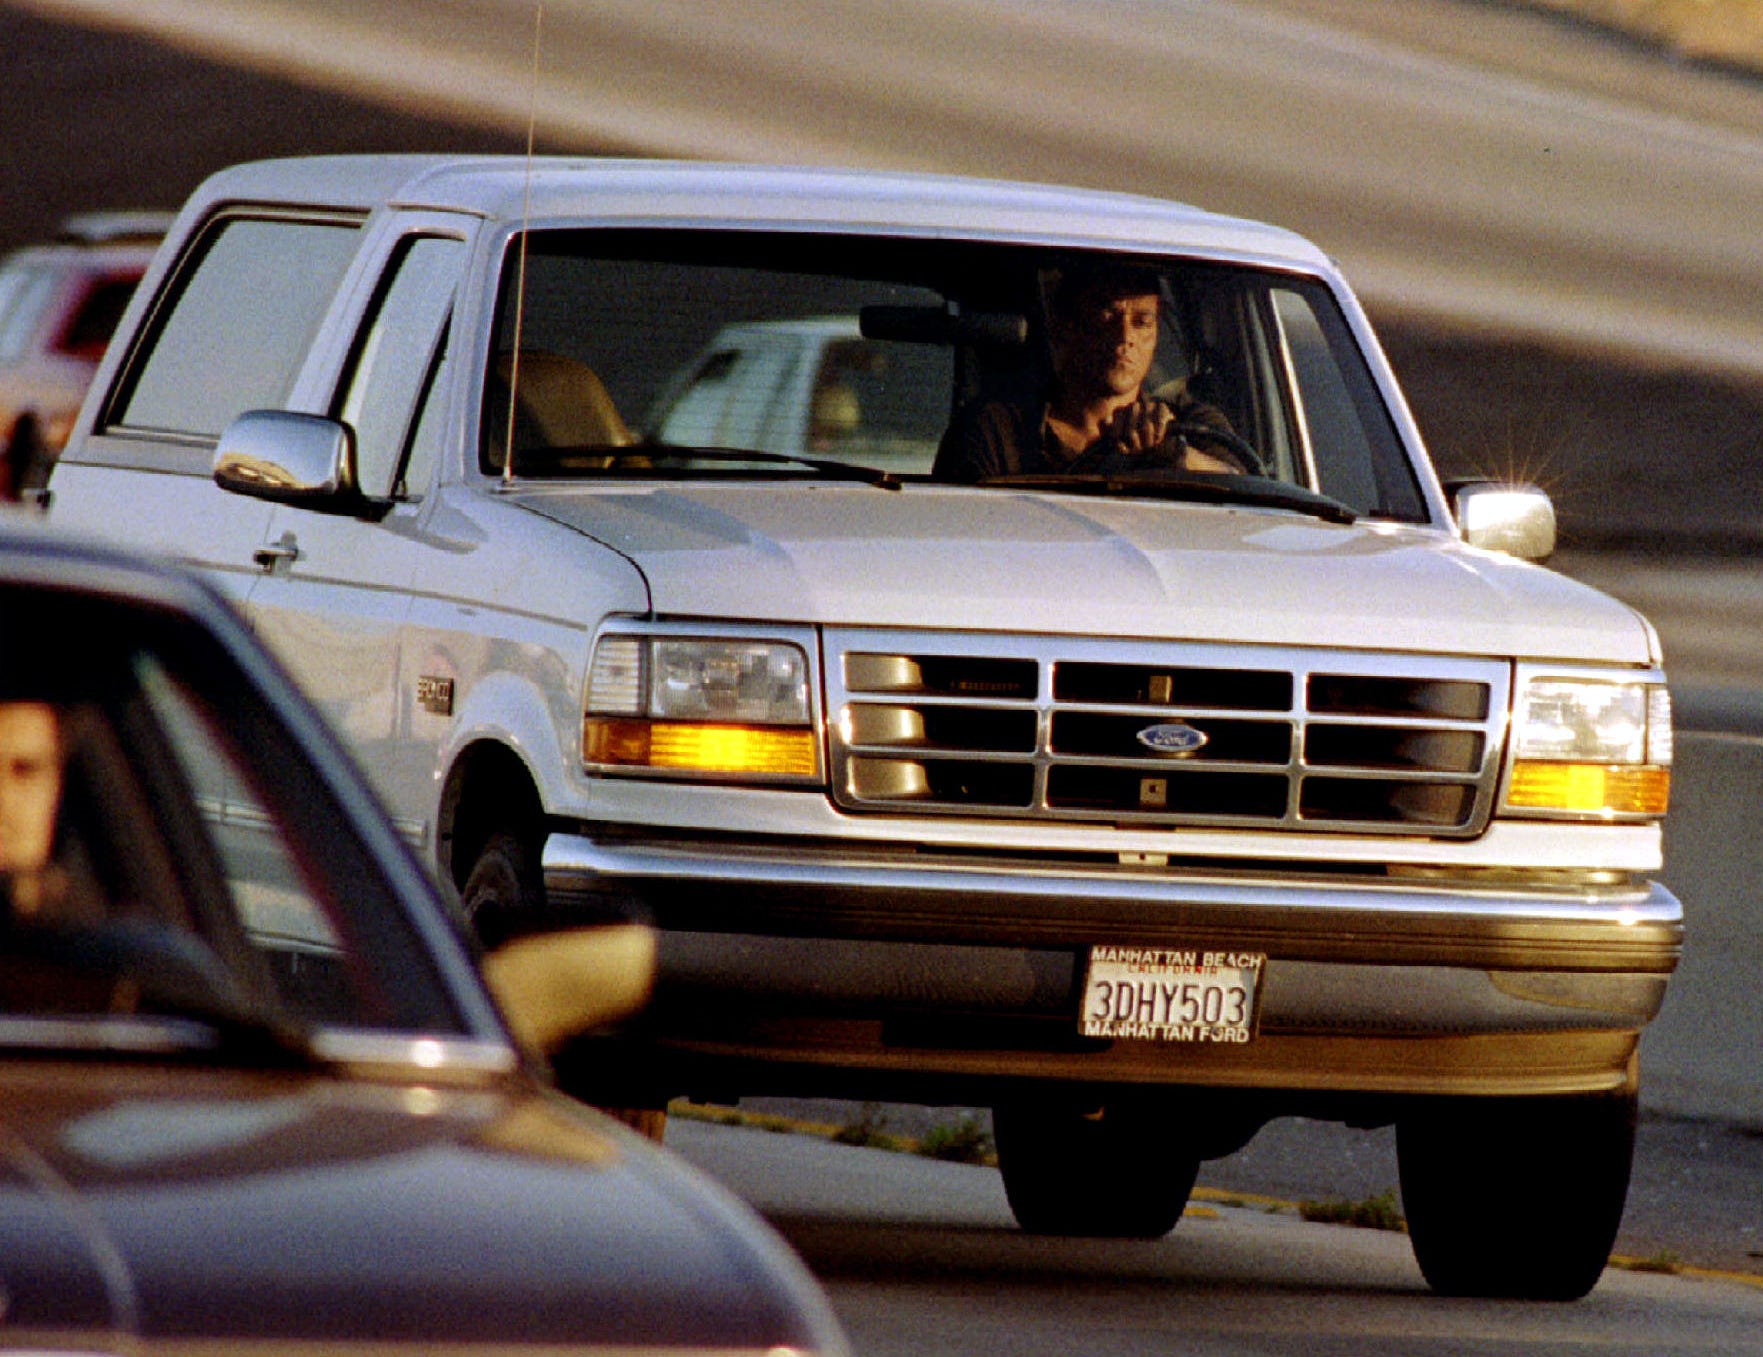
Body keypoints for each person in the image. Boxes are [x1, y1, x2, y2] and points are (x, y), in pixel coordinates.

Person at [933, 262, 1249, 481]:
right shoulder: (996, 430)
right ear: (1067, 325)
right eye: (1107, 317)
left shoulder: (1192, 427)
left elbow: (1246, 494)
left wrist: (1174, 454)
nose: (1125, 338)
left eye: (1142, 322)